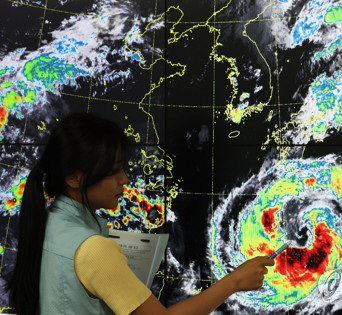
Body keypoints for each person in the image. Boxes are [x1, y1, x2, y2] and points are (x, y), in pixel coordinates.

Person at [6, 112, 274, 315]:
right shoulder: (92, 250)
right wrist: (235, 281)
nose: (123, 179)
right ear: (75, 178)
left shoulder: (50, 221)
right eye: (113, 171)